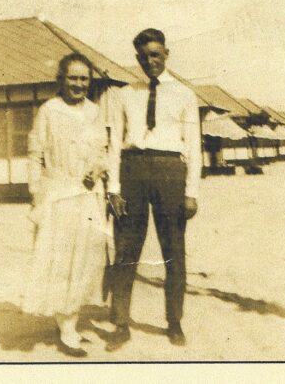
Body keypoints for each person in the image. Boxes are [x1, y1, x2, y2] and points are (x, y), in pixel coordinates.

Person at [105, 28, 201, 349]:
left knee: (173, 250)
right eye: (144, 57)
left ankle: (174, 322)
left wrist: (192, 192)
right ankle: (120, 323)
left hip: (170, 170)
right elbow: (115, 142)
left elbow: (195, 147)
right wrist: (114, 187)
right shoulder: (125, 93)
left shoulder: (185, 94)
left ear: (166, 54)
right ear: (137, 59)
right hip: (132, 169)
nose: (151, 61)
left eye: (156, 54)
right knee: (126, 249)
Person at [20, 53, 113, 357]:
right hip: (58, 195)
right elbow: (35, 154)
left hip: (86, 195)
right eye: (72, 78)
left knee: (85, 259)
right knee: (60, 260)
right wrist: (37, 193)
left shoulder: (95, 112)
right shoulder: (49, 111)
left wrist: (96, 169)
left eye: (84, 79)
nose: (78, 84)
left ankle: (69, 320)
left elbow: (102, 149)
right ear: (61, 78)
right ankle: (66, 327)